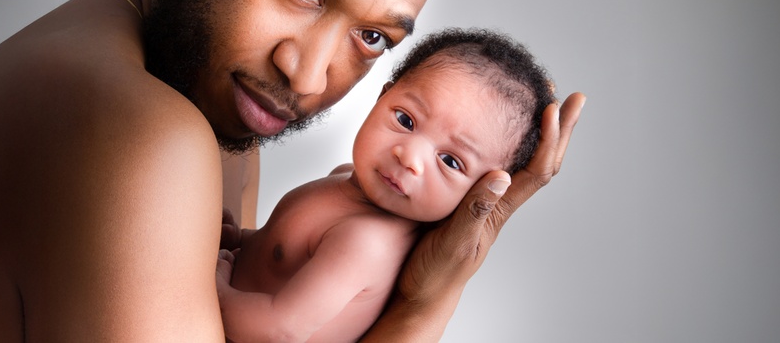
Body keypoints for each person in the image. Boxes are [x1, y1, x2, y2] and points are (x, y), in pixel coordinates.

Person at [0, 0, 584, 341]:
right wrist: (424, 306)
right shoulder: (145, 134)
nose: (308, 74)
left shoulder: (210, 105)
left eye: (371, 37)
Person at [216, 28, 556, 342]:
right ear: (382, 97)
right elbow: (286, 252)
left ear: (479, 192)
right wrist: (243, 242)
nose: (410, 157)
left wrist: (212, 288)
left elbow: (281, 328)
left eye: (451, 161)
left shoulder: (366, 241)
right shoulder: (345, 177)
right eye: (406, 120)